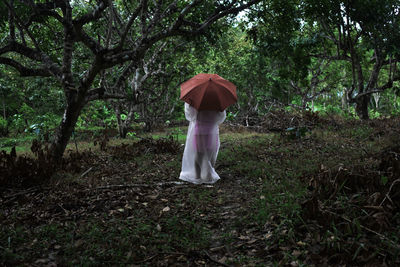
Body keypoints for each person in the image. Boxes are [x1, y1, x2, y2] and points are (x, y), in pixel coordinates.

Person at [179, 103, 226, 184]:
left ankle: (197, 176)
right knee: (211, 153)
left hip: (199, 130)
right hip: (211, 131)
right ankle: (208, 174)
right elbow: (221, 117)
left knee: (198, 154)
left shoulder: (197, 101)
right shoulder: (216, 101)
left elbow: (190, 115)